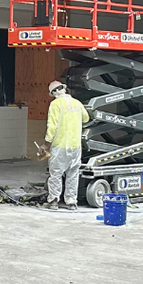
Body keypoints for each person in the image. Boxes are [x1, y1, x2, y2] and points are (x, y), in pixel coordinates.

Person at [40, 80, 90, 211]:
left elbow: (52, 126)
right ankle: (71, 202)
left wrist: (46, 145)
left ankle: (54, 201)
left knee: (56, 174)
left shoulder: (55, 104)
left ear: (53, 93)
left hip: (60, 145)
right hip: (75, 146)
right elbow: (86, 118)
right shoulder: (77, 103)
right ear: (64, 89)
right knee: (73, 174)